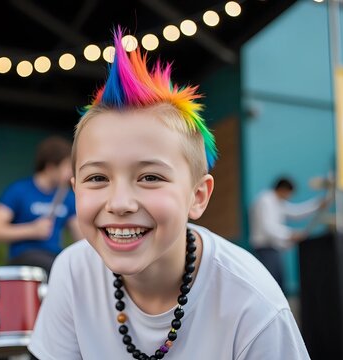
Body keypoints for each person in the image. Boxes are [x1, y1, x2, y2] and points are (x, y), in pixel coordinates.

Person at [28, 28, 310, 360]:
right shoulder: (73, 272)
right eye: (97, 178)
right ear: (75, 190)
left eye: (149, 177)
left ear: (198, 196)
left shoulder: (253, 304)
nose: (119, 203)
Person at [0, 135, 83, 274]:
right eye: (67, 167)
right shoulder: (20, 191)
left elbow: (81, 236)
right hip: (24, 260)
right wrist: (32, 230)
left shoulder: (67, 197)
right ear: (50, 167)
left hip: (54, 258)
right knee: (58, 267)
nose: (71, 173)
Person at [249, 177, 327, 292]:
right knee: (272, 283)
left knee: (278, 281)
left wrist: (316, 205)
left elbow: (296, 212)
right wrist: (291, 234)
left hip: (274, 248)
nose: (288, 197)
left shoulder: (277, 202)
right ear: (283, 190)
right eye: (289, 194)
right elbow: (268, 227)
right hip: (265, 248)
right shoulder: (265, 200)